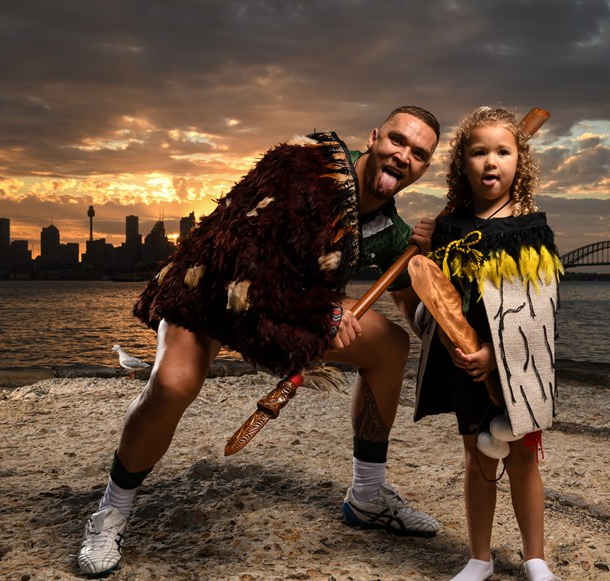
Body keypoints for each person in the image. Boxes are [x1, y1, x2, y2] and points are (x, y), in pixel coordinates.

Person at [77, 106, 441, 576]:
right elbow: (240, 256)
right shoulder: (301, 166)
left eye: (419, 153)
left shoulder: (389, 230)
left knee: (390, 345)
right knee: (172, 385)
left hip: (282, 314)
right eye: (397, 140)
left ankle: (368, 496)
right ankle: (112, 509)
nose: (403, 156)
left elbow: (412, 303)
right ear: (373, 138)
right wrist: (323, 312)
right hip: (210, 290)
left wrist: (436, 305)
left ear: (424, 167)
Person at [411, 106, 561, 581]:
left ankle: (535, 558)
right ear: (462, 163)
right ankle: (479, 557)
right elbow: (438, 299)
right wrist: (425, 252)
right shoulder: (449, 228)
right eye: (478, 152)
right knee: (477, 455)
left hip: (515, 364)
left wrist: (496, 356)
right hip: (462, 357)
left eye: (503, 151)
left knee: (522, 456)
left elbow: (539, 311)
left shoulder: (530, 229)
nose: (491, 161)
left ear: (520, 161)